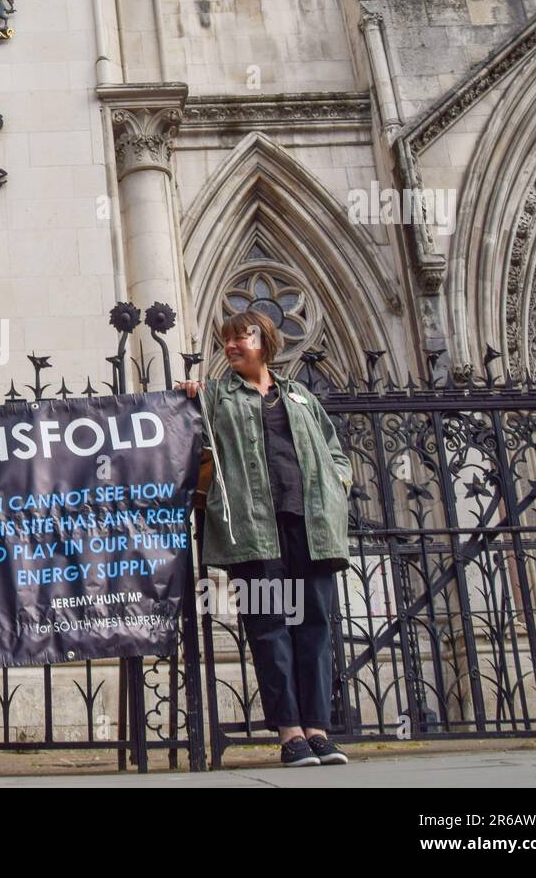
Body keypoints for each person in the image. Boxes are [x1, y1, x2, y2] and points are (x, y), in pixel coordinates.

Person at [177, 309, 353, 767]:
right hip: (252, 533)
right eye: (226, 341)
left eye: (241, 337)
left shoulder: (299, 398)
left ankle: (318, 730)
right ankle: (290, 734)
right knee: (269, 627)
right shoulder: (218, 397)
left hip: (310, 527)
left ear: (266, 340)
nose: (231, 346)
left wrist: (337, 483)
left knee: (314, 625)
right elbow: (186, 431)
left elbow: (335, 451)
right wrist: (192, 395)